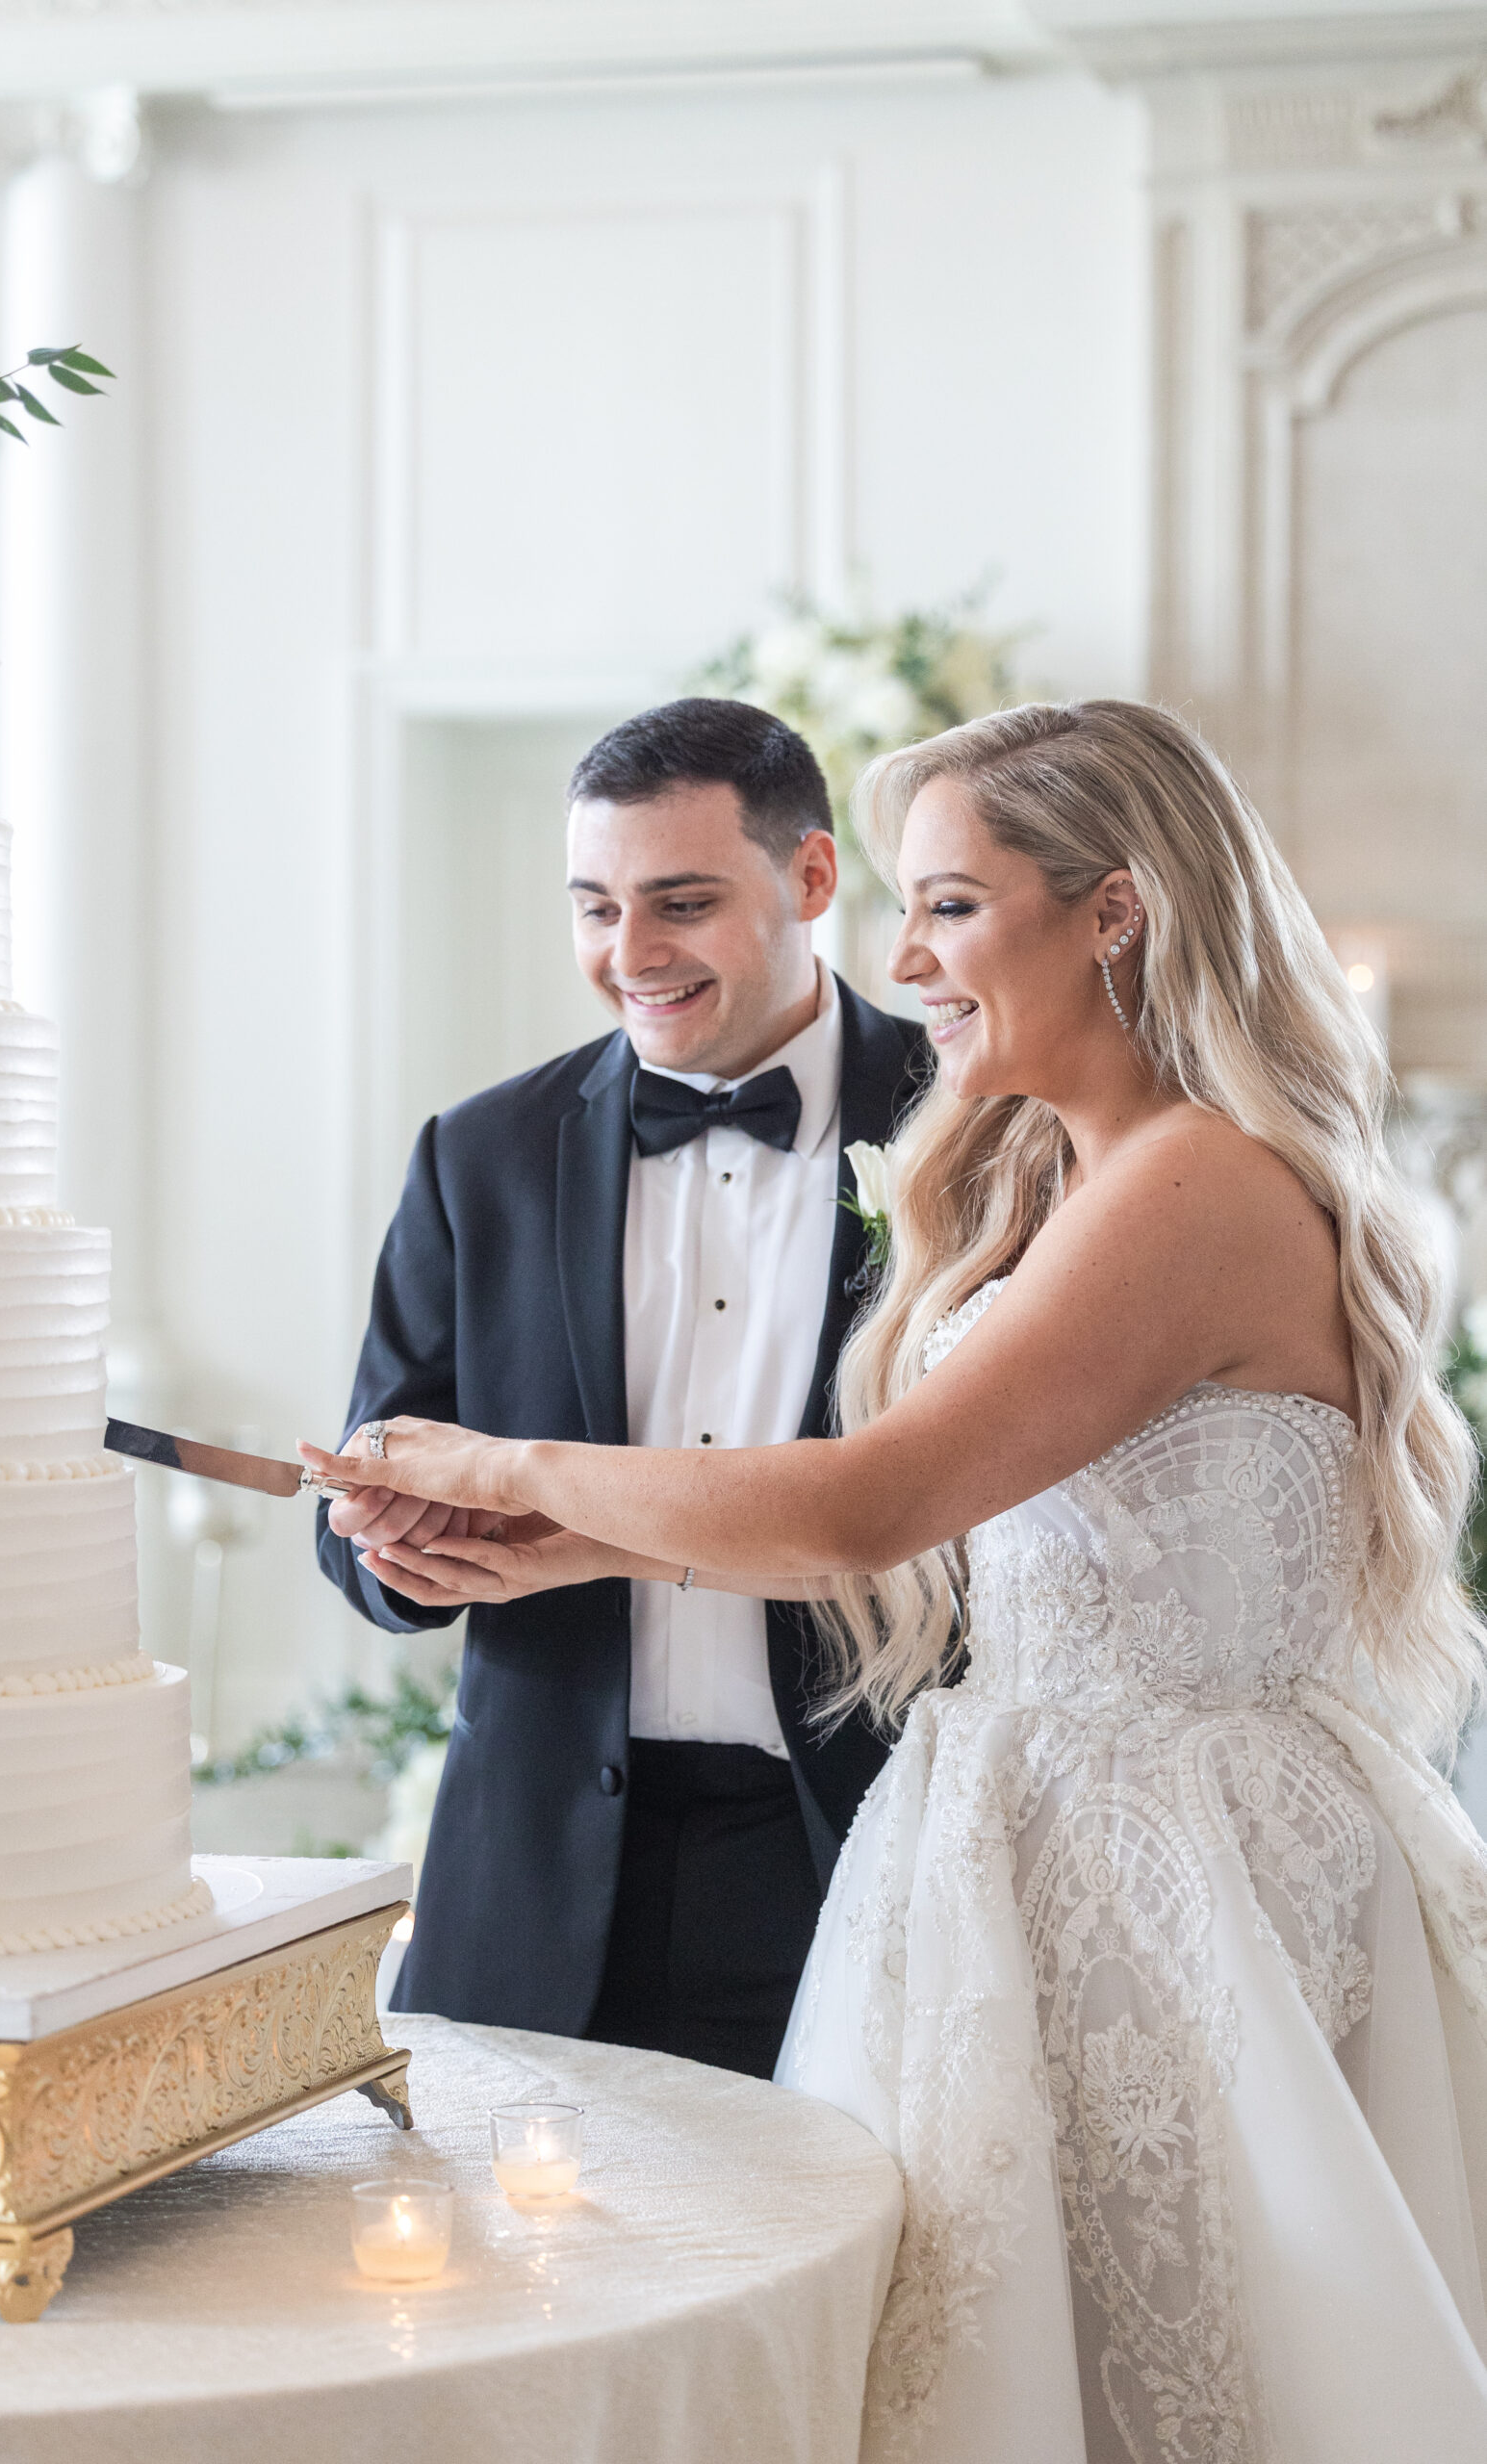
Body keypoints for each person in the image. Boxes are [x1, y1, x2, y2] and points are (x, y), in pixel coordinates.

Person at [305, 698, 1487, 2464]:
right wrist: (550, 1547)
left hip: (1170, 1866)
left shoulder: (1196, 1187)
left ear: (1115, 911)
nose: (907, 959)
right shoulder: (1074, 1174)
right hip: (1017, 1847)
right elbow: (975, 1523)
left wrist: (501, 1466)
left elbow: (874, 1505)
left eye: (945, 904)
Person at [317, 697, 930, 2078]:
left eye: (681, 903)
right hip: (537, 1884)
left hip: (867, 1851)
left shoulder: (971, 1127)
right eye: (594, 908)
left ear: (813, 879)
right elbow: (357, 1512)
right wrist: (396, 1544)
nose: (628, 955)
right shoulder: (481, 1154)